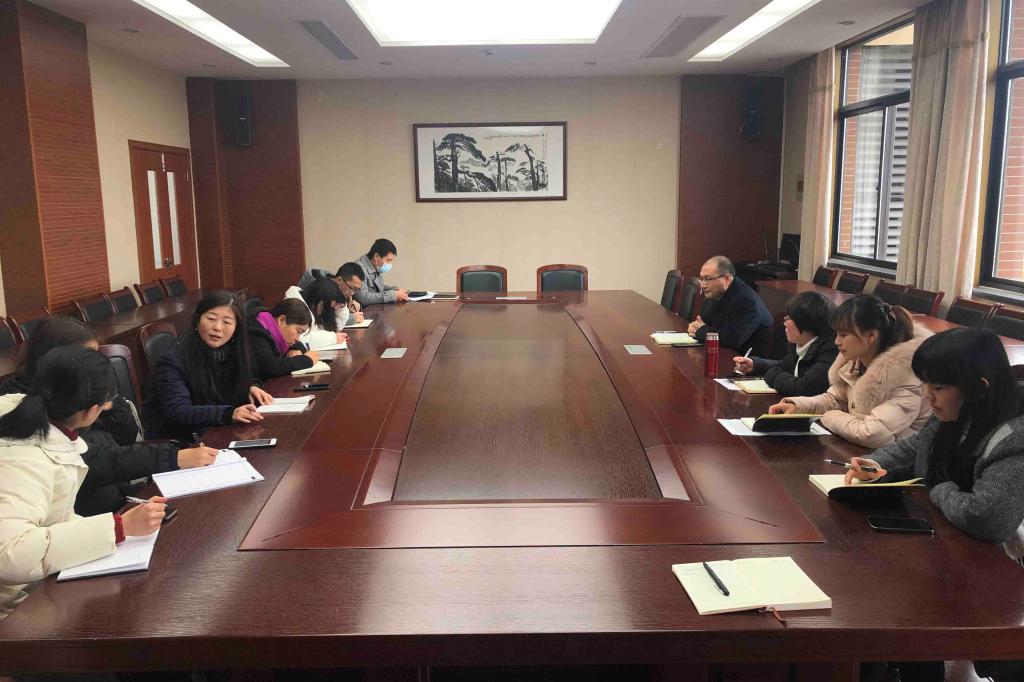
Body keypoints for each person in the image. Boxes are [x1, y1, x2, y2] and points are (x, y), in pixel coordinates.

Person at [845, 327, 1024, 682]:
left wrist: (939, 488)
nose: (928, 395)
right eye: (926, 383)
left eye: (938, 387)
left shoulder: (1014, 437)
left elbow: (987, 518)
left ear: (979, 388)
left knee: (908, 602)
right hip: (951, 544)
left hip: (1001, 569)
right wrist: (874, 463)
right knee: (891, 593)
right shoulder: (956, 413)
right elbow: (915, 449)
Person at [0, 346, 165, 620]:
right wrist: (117, 528)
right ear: (91, 411)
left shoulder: (35, 424)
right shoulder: (24, 458)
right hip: (15, 610)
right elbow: (10, 555)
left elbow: (53, 519)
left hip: (37, 585)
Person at [0, 317, 218, 516]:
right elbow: (85, 460)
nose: (94, 363)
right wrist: (171, 457)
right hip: (85, 509)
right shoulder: (21, 402)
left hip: (120, 491)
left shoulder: (90, 389)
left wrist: (111, 402)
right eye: (86, 356)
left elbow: (127, 436)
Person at [768, 295, 931, 448]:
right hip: (862, 452)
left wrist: (829, 416)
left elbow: (872, 433)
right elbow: (834, 399)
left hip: (896, 461)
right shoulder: (856, 359)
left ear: (871, 336)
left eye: (844, 335)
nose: (836, 342)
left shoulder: (908, 372)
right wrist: (798, 407)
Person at [142, 290, 272, 440]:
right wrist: (229, 414)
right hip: (179, 441)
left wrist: (251, 386)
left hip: (217, 432)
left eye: (227, 322)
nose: (217, 327)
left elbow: (250, 375)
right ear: (197, 319)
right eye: (211, 318)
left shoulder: (234, 351)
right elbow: (179, 411)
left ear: (236, 328)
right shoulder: (173, 359)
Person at [731, 291, 838, 396]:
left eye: (789, 317)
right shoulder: (800, 343)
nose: (784, 321)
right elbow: (783, 365)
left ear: (806, 323)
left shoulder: (831, 350)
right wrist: (755, 365)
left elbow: (803, 387)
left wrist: (772, 374)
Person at [687, 256, 773, 356]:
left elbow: (732, 340)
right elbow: (706, 323)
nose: (703, 285)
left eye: (708, 279)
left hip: (746, 361)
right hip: (726, 355)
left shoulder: (746, 300)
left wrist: (700, 331)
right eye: (701, 279)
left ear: (726, 278)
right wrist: (695, 327)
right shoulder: (719, 294)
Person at [248, 297, 320, 380]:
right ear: (281, 320)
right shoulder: (255, 332)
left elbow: (299, 346)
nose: (298, 339)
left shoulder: (273, 328)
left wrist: (293, 351)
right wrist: (307, 360)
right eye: (298, 331)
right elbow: (270, 367)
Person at [283, 277, 350, 350]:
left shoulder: (311, 307)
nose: (326, 311)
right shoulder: (295, 308)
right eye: (327, 307)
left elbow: (336, 326)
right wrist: (333, 338)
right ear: (319, 300)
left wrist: (342, 306)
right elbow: (301, 340)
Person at [297, 262, 366, 324]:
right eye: (352, 288)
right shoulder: (319, 288)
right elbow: (319, 320)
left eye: (356, 289)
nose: (352, 293)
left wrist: (349, 307)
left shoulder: (336, 284)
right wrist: (350, 318)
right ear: (339, 280)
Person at [353, 238, 409, 305]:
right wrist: (392, 295)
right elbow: (363, 298)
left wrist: (395, 290)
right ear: (376, 256)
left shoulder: (375, 266)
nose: (390, 264)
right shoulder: (358, 269)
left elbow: (378, 288)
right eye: (388, 260)